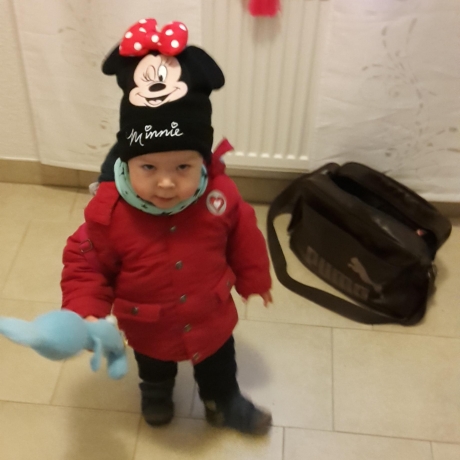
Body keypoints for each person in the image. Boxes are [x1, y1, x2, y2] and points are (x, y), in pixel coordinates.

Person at [61, 19, 273, 435]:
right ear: (126, 162)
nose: (165, 182)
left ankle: (223, 401)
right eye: (148, 167)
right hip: (147, 322)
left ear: (203, 162)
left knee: (219, 364)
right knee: (154, 364)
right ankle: (156, 392)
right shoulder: (108, 213)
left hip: (210, 314)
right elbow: (86, 265)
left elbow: (245, 237)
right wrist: (84, 309)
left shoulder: (220, 197)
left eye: (182, 167)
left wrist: (254, 279)